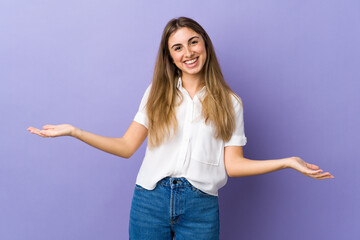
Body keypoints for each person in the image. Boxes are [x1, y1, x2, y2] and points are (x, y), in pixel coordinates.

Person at [27, 17, 334, 240]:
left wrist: (286, 162)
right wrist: (75, 132)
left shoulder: (231, 103)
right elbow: (126, 146)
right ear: (171, 57)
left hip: (201, 206)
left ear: (205, 45)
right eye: (177, 48)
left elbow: (233, 165)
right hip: (150, 200)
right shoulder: (157, 93)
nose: (187, 52)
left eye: (193, 42)